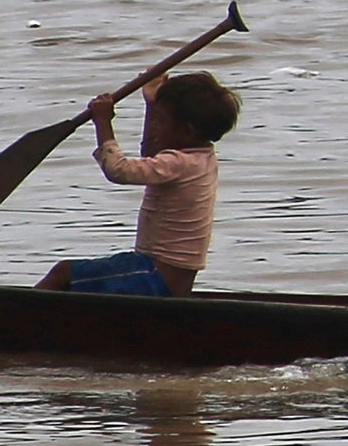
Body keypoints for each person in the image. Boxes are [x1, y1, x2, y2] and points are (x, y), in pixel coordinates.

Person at [36, 71, 240, 298]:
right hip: (165, 276)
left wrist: (102, 122)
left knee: (62, 273)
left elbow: (118, 170)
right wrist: (152, 104)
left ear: (187, 131)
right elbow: (152, 153)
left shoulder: (179, 163)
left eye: (162, 121)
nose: (157, 126)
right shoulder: (201, 157)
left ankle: (16, 320)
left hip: (154, 275)